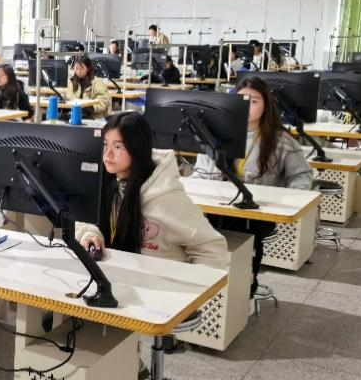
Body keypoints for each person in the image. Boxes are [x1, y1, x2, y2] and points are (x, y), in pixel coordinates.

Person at [191, 76, 313, 294]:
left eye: (254, 101)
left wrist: (290, 203)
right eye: (242, 100)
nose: (247, 105)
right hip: (217, 209)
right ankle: (211, 291)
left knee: (242, 242)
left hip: (257, 214)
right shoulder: (215, 136)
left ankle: (243, 289)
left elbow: (302, 175)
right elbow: (200, 174)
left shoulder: (280, 140)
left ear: (266, 105)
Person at [77, 112, 228, 270]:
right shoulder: (103, 181)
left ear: (137, 148)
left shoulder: (165, 196)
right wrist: (89, 234)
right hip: (117, 276)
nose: (108, 153)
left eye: (117, 146)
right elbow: (80, 219)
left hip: (158, 281)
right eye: (105, 144)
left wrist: (190, 284)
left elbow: (212, 248)